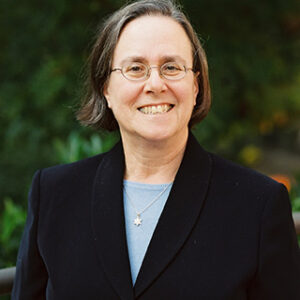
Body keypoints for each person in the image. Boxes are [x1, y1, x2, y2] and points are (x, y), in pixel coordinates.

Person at [12, 0, 300, 299]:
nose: (155, 83)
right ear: (105, 88)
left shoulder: (259, 206)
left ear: (196, 85)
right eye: (135, 68)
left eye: (171, 67)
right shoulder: (54, 194)